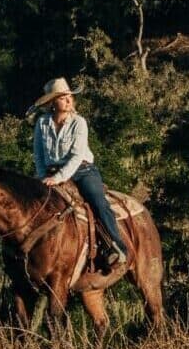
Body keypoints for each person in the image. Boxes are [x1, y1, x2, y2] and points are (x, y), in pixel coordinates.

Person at [32, 78, 129, 269]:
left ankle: (117, 247)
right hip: (51, 173)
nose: (69, 100)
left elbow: (77, 156)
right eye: (63, 98)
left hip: (82, 171)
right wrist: (43, 176)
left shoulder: (79, 123)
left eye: (69, 96)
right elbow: (38, 154)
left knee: (97, 201)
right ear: (52, 103)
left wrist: (58, 178)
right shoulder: (42, 123)